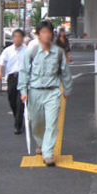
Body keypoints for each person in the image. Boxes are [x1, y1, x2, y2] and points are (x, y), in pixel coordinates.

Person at [18, 20, 73, 166]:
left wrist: (67, 89)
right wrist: (23, 90)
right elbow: (24, 71)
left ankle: (48, 153)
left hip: (52, 92)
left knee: (51, 123)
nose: (46, 35)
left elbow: (65, 73)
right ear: (38, 35)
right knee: (36, 122)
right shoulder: (31, 51)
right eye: (43, 32)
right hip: (35, 92)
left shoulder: (58, 52)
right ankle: (40, 142)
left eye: (48, 32)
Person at [0, 29, 27, 135]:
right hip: (11, 77)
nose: (17, 39)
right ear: (13, 38)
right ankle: (18, 117)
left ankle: (17, 126)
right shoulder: (8, 50)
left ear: (22, 38)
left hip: (23, 77)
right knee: (12, 99)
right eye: (15, 36)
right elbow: (1, 62)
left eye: (19, 37)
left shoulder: (27, 50)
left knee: (20, 102)